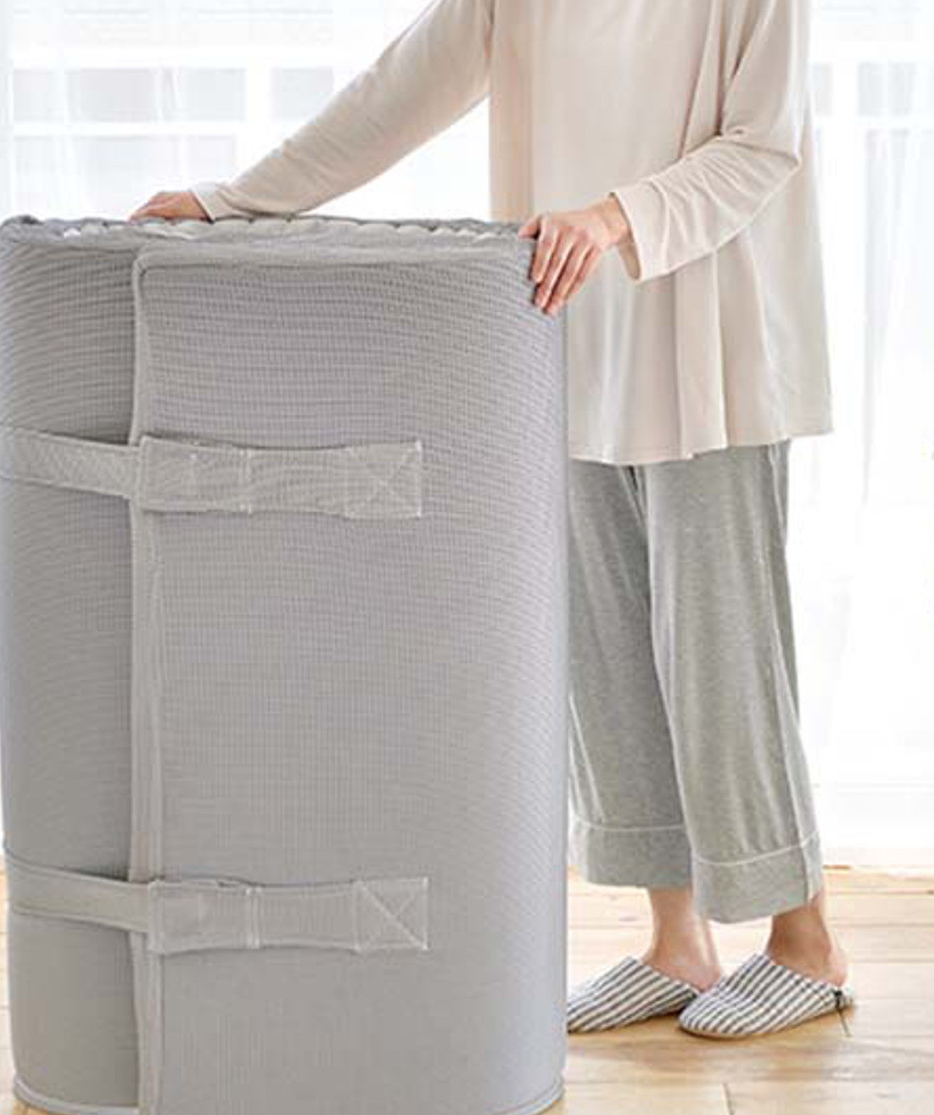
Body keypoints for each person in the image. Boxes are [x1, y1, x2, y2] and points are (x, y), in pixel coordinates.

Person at [130, 0, 853, 1038]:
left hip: (714, 333)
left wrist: (613, 217)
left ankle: (805, 943)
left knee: (721, 649)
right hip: (573, 324)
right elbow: (400, 89)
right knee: (607, 650)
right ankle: (677, 944)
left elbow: (764, 140)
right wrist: (236, 201)